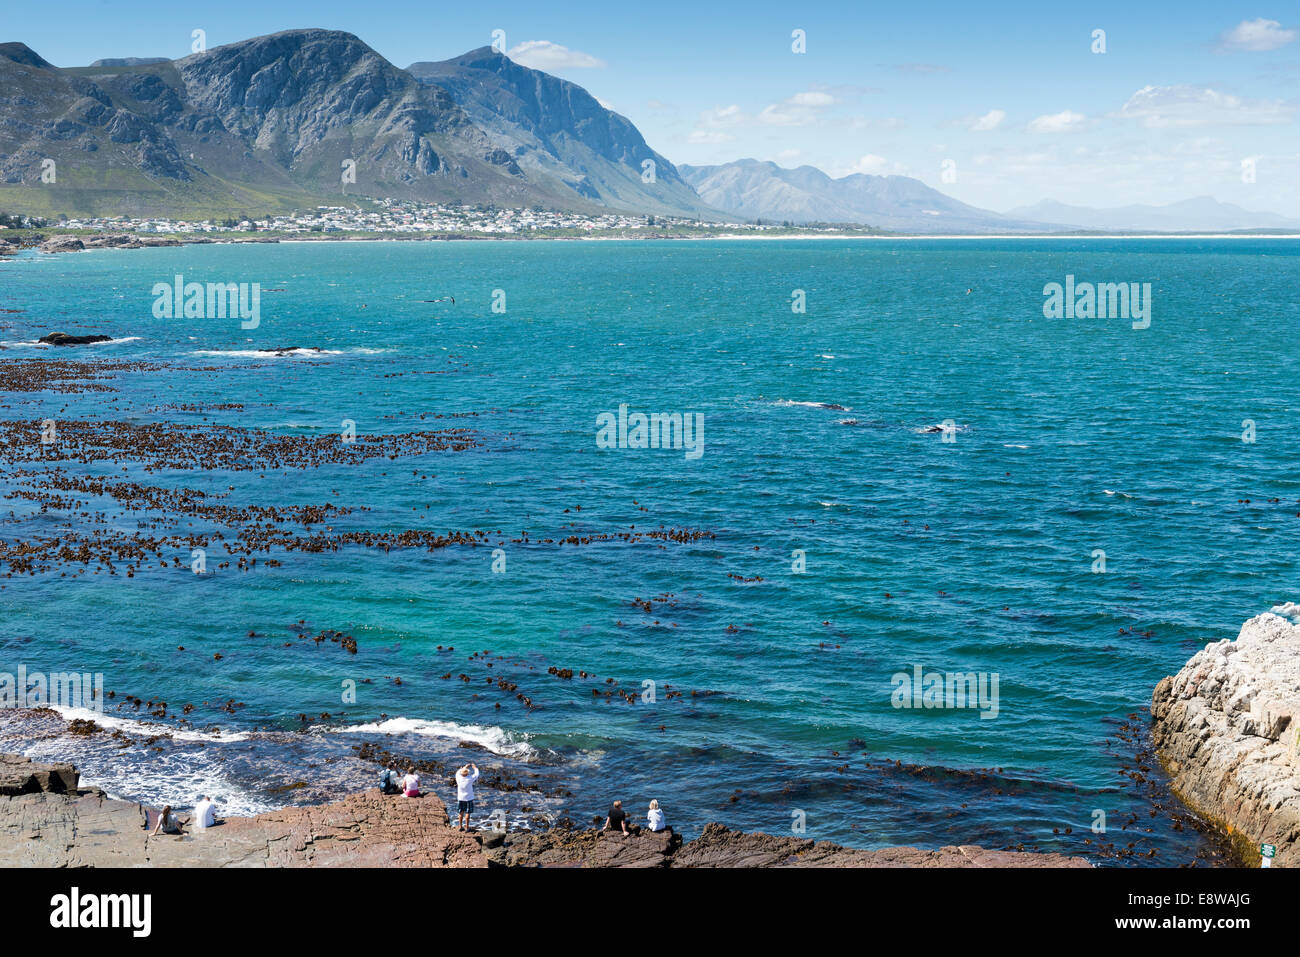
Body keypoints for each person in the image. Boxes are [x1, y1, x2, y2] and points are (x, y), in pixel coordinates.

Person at [455, 763, 480, 832]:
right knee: (468, 813)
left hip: (460, 798)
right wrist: (475, 767)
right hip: (469, 798)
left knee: (461, 813)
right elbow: (476, 774)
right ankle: (467, 827)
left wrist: (465, 767)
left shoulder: (458, 777)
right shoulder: (469, 779)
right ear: (467, 773)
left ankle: (460, 826)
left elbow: (458, 772)